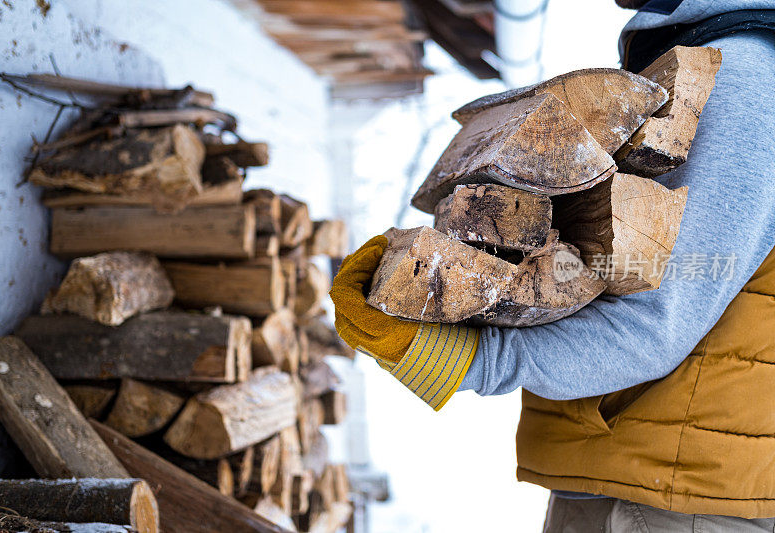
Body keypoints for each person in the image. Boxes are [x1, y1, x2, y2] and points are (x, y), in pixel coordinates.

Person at [330, 0, 775, 531]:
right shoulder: (721, 55)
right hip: (656, 476)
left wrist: (457, 356)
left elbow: (655, 325)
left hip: (670, 495)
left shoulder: (744, 73)